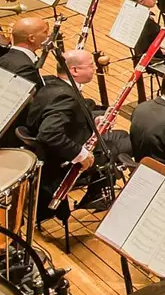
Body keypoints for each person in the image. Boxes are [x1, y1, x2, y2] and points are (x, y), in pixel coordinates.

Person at [26, 50, 129, 217]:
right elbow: (49, 134)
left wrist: (92, 122)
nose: (95, 67)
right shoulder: (66, 96)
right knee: (124, 143)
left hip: (53, 151)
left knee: (120, 134)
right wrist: (81, 155)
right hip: (60, 163)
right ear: (74, 70)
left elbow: (67, 120)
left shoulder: (51, 84)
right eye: (90, 65)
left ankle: (97, 191)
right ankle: (96, 192)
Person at [0, 16, 49, 88]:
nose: (48, 35)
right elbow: (36, 96)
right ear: (32, 38)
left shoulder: (2, 59)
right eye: (45, 32)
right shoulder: (25, 69)